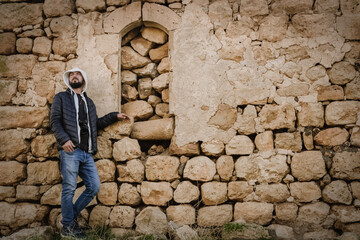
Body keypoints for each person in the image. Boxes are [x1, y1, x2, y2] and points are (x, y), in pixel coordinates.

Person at [50, 68, 129, 238]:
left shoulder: (89, 102)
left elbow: (97, 124)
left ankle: (68, 221)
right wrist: (64, 140)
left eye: (77, 74)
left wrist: (115, 116)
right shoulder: (61, 98)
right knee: (69, 188)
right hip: (70, 150)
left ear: (83, 79)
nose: (74, 76)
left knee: (94, 187)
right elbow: (55, 121)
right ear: (68, 80)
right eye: (71, 75)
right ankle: (69, 227)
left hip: (87, 153)